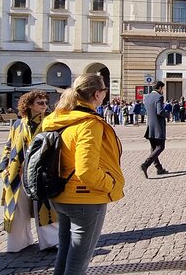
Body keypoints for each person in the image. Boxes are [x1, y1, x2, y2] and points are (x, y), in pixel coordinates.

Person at [42, 74, 125, 275]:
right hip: (84, 198)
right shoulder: (89, 123)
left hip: (60, 194)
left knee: (65, 254)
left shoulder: (59, 118)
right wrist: (111, 184)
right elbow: (86, 169)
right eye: (104, 91)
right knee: (79, 261)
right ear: (97, 94)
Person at [0, 90, 58, 252]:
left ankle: (50, 242)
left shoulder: (50, 122)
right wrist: (4, 167)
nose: (45, 105)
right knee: (17, 208)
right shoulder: (18, 124)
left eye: (46, 102)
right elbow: (9, 146)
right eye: (40, 103)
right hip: (17, 172)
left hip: (40, 172)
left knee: (44, 205)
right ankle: (18, 243)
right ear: (29, 105)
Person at [141, 81, 170, 178]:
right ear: (160, 88)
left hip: (150, 126)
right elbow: (159, 111)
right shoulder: (159, 97)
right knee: (160, 147)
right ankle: (145, 164)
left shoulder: (147, 97)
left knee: (154, 148)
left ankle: (159, 168)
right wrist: (167, 114)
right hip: (158, 126)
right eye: (163, 89)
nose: (163, 91)